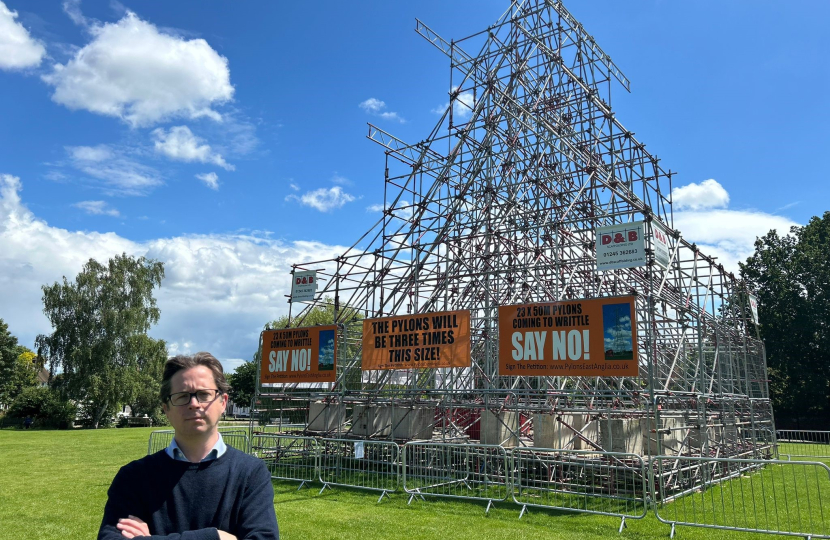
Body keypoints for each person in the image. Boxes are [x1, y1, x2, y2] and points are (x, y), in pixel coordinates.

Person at [98, 352, 279, 540]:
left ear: (223, 402)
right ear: (166, 408)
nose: (194, 404)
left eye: (204, 394)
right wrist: (214, 537)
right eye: (182, 396)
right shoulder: (134, 477)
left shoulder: (250, 474)